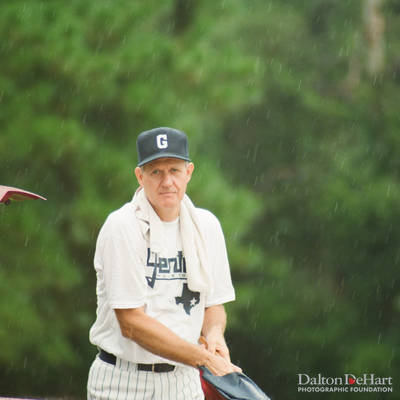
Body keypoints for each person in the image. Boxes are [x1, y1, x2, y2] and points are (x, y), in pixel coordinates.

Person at [87, 127, 240, 400]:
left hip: (184, 381)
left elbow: (213, 304)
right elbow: (131, 323)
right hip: (123, 381)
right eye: (156, 171)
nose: (166, 181)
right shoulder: (122, 226)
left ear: (189, 172)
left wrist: (214, 335)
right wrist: (205, 359)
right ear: (140, 176)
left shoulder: (206, 225)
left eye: (174, 170)